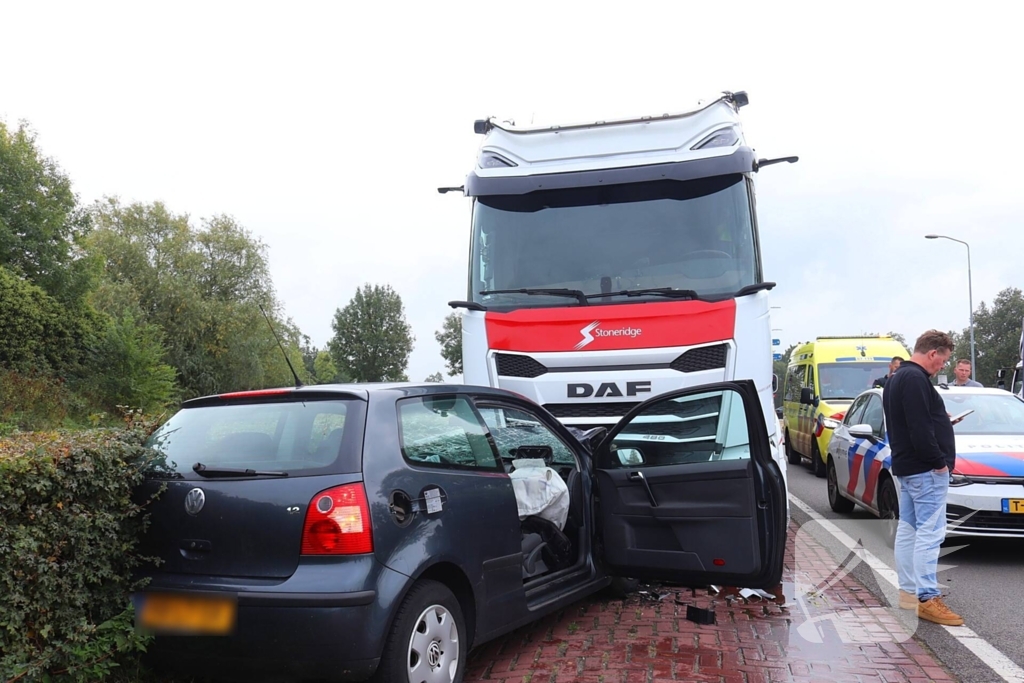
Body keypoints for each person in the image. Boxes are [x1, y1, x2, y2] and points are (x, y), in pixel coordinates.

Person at [882, 330, 963, 626]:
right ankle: (927, 597)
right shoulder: (916, 379)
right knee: (930, 534)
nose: (942, 365)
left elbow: (909, 421)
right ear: (932, 353)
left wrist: (942, 420)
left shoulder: (897, 378)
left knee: (909, 529)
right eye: (943, 360)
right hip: (925, 468)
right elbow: (918, 428)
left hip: (908, 466)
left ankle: (908, 592)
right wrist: (938, 462)